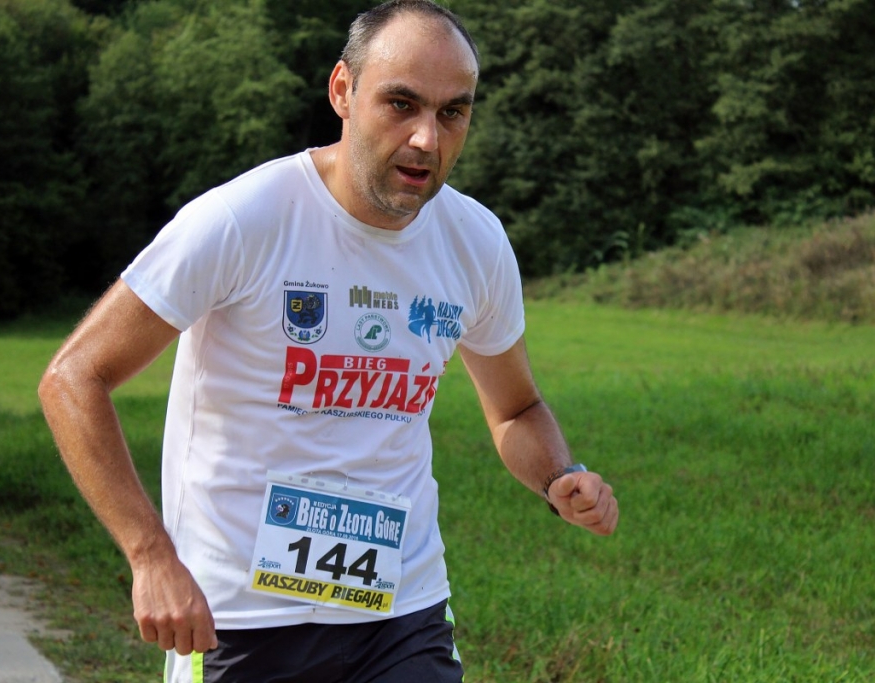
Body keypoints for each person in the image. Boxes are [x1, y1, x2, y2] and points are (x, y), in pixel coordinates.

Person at [38, 1, 619, 681]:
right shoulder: (242, 220)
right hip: (238, 619)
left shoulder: (476, 242)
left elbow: (516, 409)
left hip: (402, 614)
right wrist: (150, 556)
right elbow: (74, 377)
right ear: (342, 90)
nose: (426, 138)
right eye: (401, 104)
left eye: (452, 112)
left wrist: (559, 476)